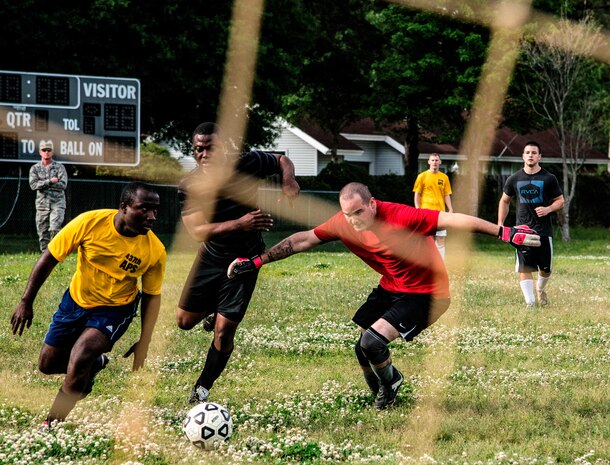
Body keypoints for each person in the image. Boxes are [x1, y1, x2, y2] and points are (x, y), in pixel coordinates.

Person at [228, 182, 539, 410]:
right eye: (347, 214)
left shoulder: (401, 217)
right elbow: (301, 241)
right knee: (362, 347)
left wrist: (504, 232)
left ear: (373, 204)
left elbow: (455, 220)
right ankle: (381, 390)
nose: (353, 220)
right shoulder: (344, 223)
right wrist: (256, 262)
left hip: (427, 294)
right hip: (391, 286)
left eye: (359, 212)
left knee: (372, 342)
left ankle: (390, 387)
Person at [10, 182, 166, 428]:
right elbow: (50, 257)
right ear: (124, 207)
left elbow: (151, 295)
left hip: (115, 309)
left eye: (155, 210)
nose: (151, 216)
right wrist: (25, 301)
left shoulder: (154, 250)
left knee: (80, 355)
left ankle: (51, 423)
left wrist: (144, 340)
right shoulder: (89, 223)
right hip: (76, 301)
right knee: (47, 365)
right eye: (144, 208)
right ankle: (95, 365)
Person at [176, 122, 300, 404]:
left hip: (245, 259)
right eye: (199, 149)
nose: (204, 155)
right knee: (184, 322)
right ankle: (213, 307)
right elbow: (196, 231)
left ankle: (202, 388)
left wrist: (288, 179)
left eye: (211, 148)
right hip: (210, 257)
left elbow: (281, 159)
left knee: (224, 330)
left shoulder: (248, 162)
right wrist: (241, 223)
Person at [498, 141, 565, 309]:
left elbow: (560, 201)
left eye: (534, 152)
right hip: (521, 230)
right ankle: (530, 303)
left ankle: (540, 288)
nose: (530, 155)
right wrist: (500, 225)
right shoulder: (514, 179)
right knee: (524, 268)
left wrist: (548, 209)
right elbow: (504, 201)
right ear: (523, 156)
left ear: (539, 156)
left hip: (543, 230)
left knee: (546, 269)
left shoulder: (549, 178)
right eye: (527, 152)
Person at [29, 141, 68, 252]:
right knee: (42, 233)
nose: (46, 152)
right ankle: (44, 257)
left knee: (54, 229)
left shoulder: (59, 167)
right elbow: (33, 185)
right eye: (44, 150)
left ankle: (56, 254)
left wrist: (42, 184)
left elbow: (63, 185)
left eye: (49, 150)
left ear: (52, 152)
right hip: (42, 206)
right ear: (40, 152)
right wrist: (49, 182)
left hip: (57, 204)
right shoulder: (35, 169)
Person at [413, 153, 453, 259]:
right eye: (433, 160)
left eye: (436, 160)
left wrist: (450, 209)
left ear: (440, 162)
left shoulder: (444, 177)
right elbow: (417, 194)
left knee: (441, 239)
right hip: (425, 214)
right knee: (425, 240)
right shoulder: (422, 176)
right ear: (428, 162)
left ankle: (440, 264)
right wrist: (418, 210)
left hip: (441, 214)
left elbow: (447, 195)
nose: (434, 162)